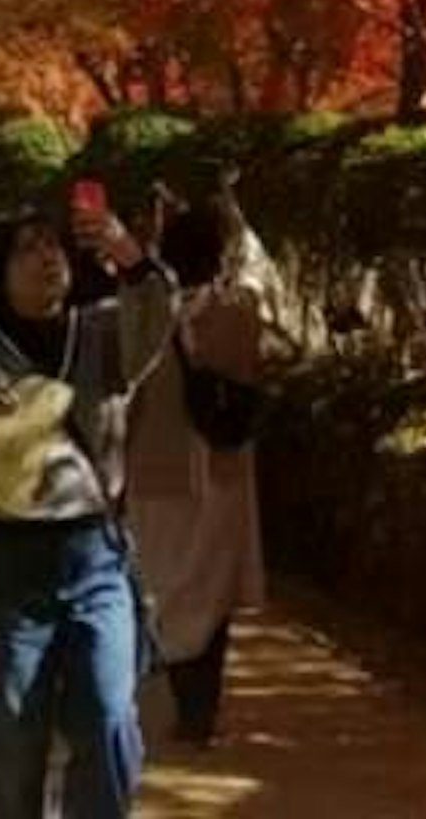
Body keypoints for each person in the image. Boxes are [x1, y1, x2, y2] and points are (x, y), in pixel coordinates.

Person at [0, 197, 179, 819]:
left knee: (110, 715)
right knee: (13, 740)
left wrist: (123, 246)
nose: (46, 258)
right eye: (27, 248)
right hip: (11, 564)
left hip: (95, 556)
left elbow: (159, 316)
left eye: (53, 246)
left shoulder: (101, 333)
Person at [128, 203, 276, 747]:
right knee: (211, 601)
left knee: (162, 591)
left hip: (156, 472)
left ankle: (164, 700)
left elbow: (131, 399)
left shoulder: (146, 316)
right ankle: (198, 713)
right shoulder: (239, 311)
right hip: (222, 475)